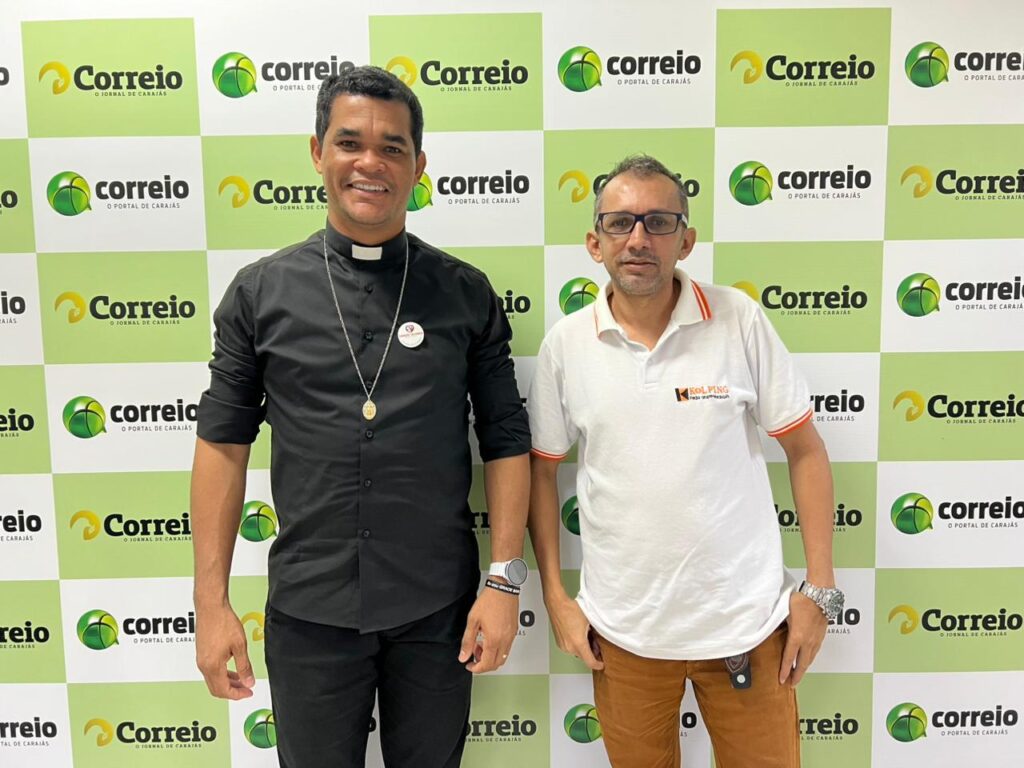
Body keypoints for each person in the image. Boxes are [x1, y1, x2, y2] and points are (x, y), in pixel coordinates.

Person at [191, 66, 531, 768]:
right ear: (317, 152)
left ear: (419, 165)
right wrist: (212, 603)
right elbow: (222, 444)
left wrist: (502, 582)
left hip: (436, 610)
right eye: (350, 142)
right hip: (310, 610)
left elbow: (505, 440)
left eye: (393, 147)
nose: (370, 163)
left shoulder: (464, 294)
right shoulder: (262, 293)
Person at [527, 154, 840, 768]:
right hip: (624, 635)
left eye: (658, 221)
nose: (638, 238)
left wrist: (820, 589)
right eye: (619, 223)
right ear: (595, 243)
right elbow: (540, 471)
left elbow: (805, 449)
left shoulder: (739, 319)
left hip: (747, 630)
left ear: (686, 239)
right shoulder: (566, 343)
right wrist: (558, 599)